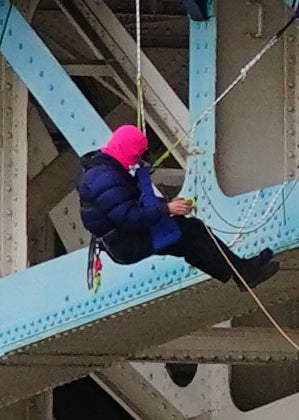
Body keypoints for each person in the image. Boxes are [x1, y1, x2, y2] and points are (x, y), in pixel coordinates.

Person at [73, 121, 266, 292]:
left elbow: (123, 209)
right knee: (193, 231)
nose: (136, 161)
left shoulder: (104, 167)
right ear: (126, 150)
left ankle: (240, 273)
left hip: (122, 239)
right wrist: (167, 209)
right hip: (126, 244)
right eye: (135, 156)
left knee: (187, 237)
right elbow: (128, 217)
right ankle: (242, 273)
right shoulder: (107, 178)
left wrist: (167, 207)